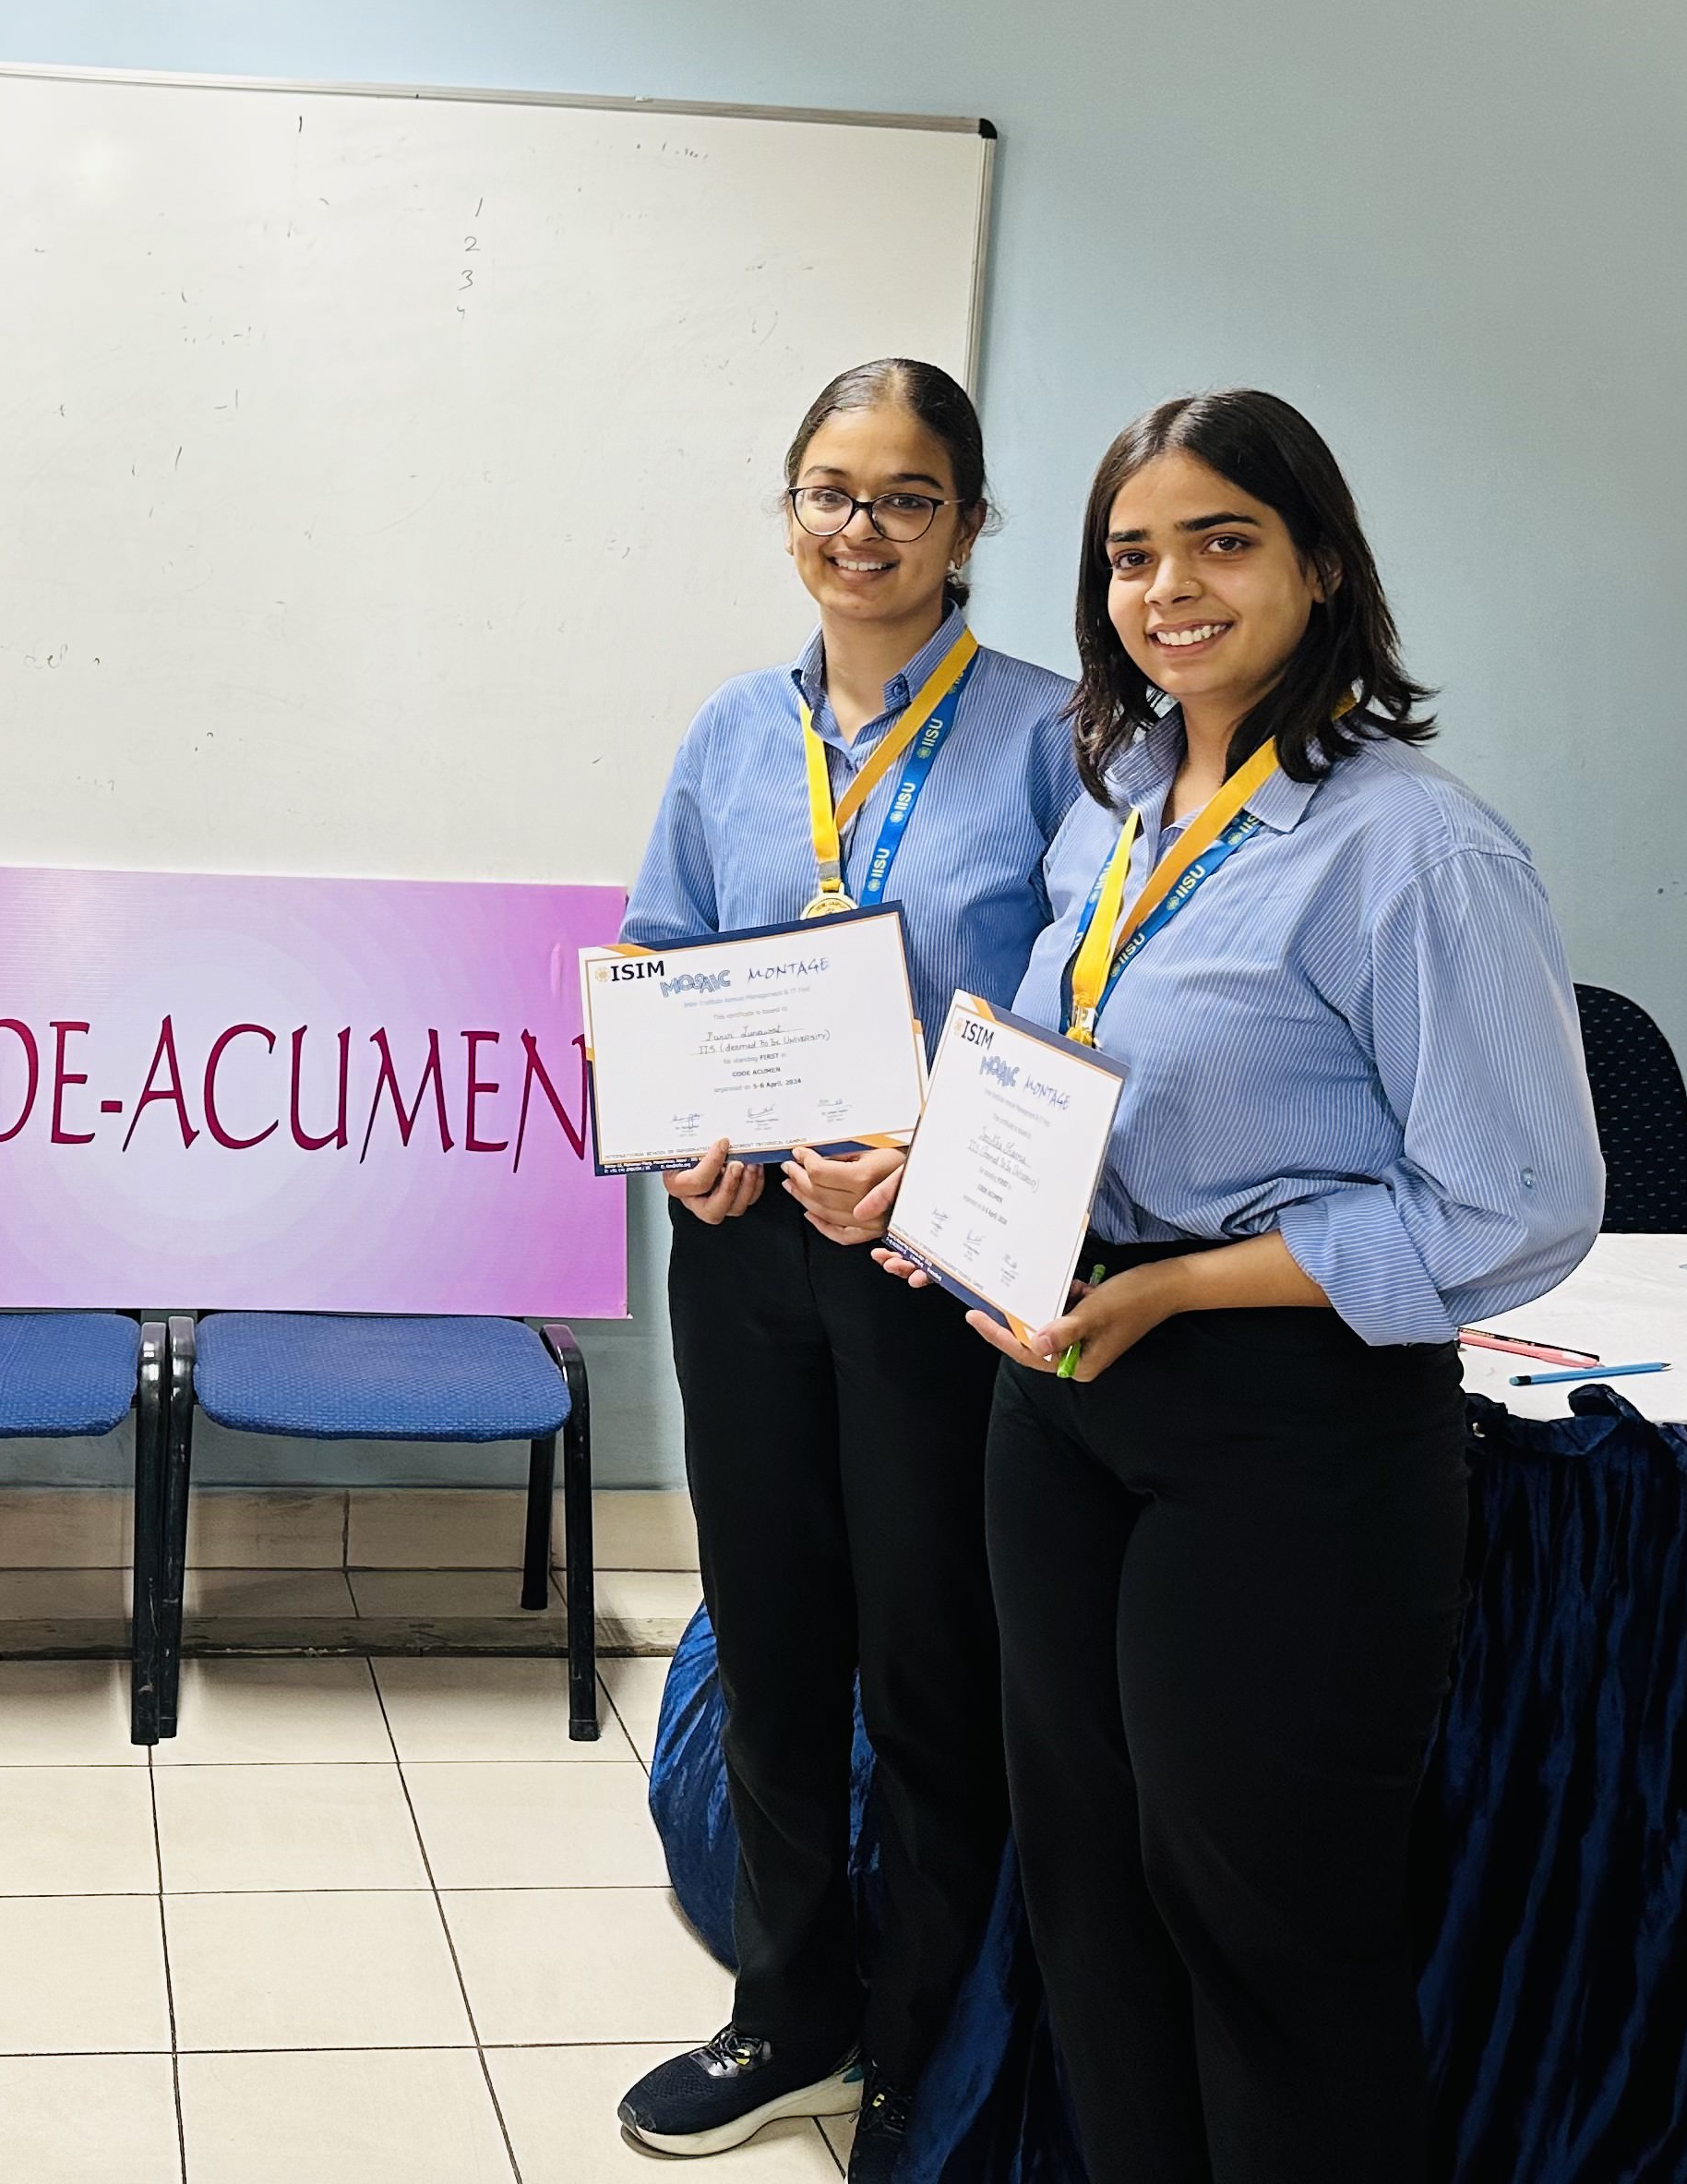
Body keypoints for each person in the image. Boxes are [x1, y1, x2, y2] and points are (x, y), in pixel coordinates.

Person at [927, 389, 1601, 2184]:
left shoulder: (1416, 850)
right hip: (1063, 1387)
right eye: (1131, 555)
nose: (1169, 589)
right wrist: (954, 1155)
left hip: (1289, 1424)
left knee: (1266, 1926)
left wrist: (1184, 1291)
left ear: (1321, 567)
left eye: (1221, 541)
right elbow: (1080, 1065)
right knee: (1089, 1890)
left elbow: (1523, 1205)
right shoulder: (1116, 799)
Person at [614, 359, 1079, 2172]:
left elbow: (1082, 1010)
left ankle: (928, 2048)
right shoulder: (735, 731)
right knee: (774, 1639)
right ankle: (789, 2009)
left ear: (968, 523)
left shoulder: (1055, 739)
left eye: (903, 496)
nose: (860, 528)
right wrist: (688, 1134)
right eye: (830, 490)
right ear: (790, 508)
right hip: (745, 1252)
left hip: (929, 1265)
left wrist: (929, 1158)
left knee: (935, 1664)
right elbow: (659, 955)